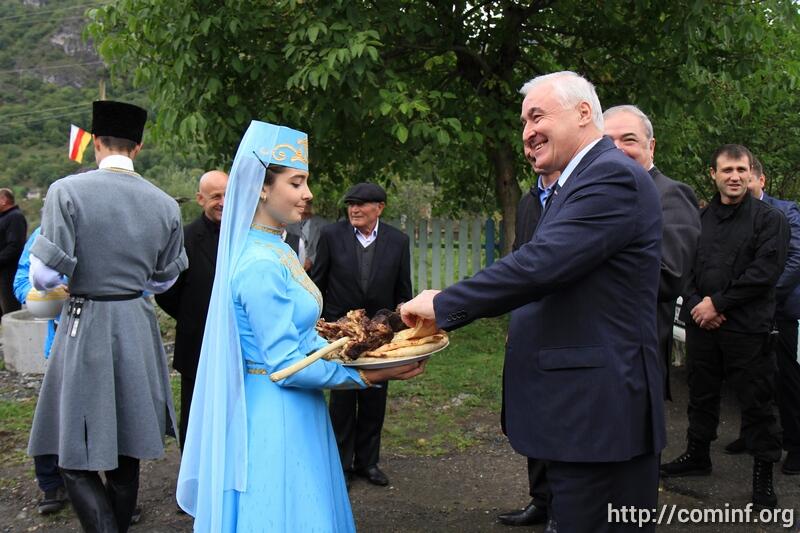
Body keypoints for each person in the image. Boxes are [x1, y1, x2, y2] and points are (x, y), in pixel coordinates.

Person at [401, 71, 665, 532]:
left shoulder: (611, 176)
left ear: (583, 112)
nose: (527, 131)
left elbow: (541, 264)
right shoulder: (574, 183)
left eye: (537, 116)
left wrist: (445, 304)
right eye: (524, 122)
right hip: (580, 414)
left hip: (600, 417)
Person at [176, 121, 424, 532]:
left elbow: (300, 334)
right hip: (276, 413)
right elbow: (287, 366)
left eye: (305, 182)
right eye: (296, 182)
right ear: (262, 188)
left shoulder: (276, 246)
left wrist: (357, 343)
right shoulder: (260, 263)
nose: (308, 193)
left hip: (296, 405)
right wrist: (374, 374)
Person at [27, 100, 187, 532]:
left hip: (86, 319)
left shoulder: (66, 191)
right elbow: (165, 279)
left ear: (96, 142)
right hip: (136, 321)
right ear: (138, 147)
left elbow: (43, 274)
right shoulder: (165, 204)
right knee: (126, 450)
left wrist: (68, 281)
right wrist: (132, 282)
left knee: (71, 456)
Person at [660, 144, 787, 509]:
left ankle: (763, 477)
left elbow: (764, 273)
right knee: (701, 394)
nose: (734, 177)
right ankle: (697, 455)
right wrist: (697, 303)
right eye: (727, 170)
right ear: (713, 174)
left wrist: (718, 303)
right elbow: (684, 268)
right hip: (703, 325)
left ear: (751, 174)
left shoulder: (769, 220)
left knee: (757, 403)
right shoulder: (700, 219)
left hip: (747, 329)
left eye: (741, 170)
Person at [311, 182, 412, 488]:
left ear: (379, 208)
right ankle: (341, 466)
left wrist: (401, 324)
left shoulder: (398, 241)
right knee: (342, 401)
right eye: (351, 204)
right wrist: (319, 322)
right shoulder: (331, 235)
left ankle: (368, 462)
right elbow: (318, 281)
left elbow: (403, 289)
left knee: (374, 398)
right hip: (341, 333)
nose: (354, 209)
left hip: (380, 334)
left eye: (361, 204)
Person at [603, 104, 701, 398]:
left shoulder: (670, 194)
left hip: (634, 360)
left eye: (629, 140)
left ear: (651, 146)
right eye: (608, 141)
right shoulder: (597, 196)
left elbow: (669, 277)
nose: (617, 148)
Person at [723, 157, 800, 476]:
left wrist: (763, 295)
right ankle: (751, 435)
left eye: (747, 177)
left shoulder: (786, 211)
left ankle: (795, 445)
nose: (740, 182)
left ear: (761, 180)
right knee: (749, 376)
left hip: (783, 310)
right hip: (746, 312)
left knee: (787, 379)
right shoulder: (732, 216)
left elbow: (795, 259)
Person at [496, 169, 559, 528]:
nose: (535, 148)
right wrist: (516, 320)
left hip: (563, 325)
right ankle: (541, 499)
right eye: (529, 144)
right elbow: (518, 262)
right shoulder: (527, 201)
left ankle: (562, 508)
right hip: (529, 323)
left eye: (542, 142)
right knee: (532, 412)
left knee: (558, 417)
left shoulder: (575, 194)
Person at [156, 170, 228, 451]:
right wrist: (193, 316)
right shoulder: (184, 238)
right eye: (216, 196)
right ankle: (193, 472)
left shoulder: (246, 235)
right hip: (196, 341)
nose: (223, 202)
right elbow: (166, 291)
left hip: (237, 343)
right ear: (200, 199)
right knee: (195, 417)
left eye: (228, 195)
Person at [13, 226, 64, 515]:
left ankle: (116, 491)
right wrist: (46, 295)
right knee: (53, 413)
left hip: (104, 338)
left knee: (105, 414)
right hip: (61, 342)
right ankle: (51, 483)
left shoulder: (113, 223)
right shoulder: (46, 232)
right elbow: (22, 279)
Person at [0, 188, 27, 317]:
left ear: (4, 200)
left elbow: (15, 245)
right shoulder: (4, 218)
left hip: (9, 273)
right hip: (2, 271)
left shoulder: (15, 217)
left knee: (9, 311)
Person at [287, 198, 328, 270]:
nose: (306, 205)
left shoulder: (323, 224)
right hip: (293, 267)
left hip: (317, 267)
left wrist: (311, 260)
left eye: (308, 203)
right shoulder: (288, 223)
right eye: (303, 202)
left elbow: (326, 247)